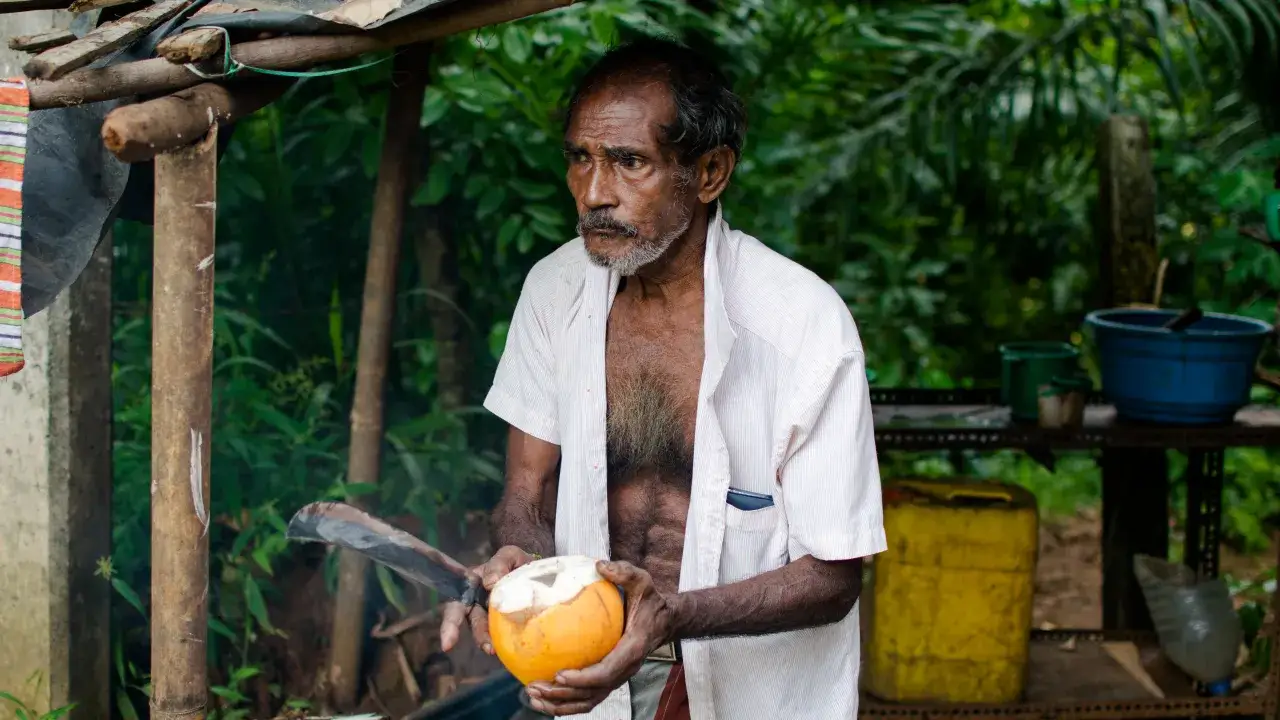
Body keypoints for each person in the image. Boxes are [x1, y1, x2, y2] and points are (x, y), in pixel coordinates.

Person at [439, 37, 886, 720]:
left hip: (746, 689)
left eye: (629, 163)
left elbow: (833, 576)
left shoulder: (803, 326)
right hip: (581, 672)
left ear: (709, 172)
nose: (594, 193)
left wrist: (670, 616)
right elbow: (529, 493)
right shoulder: (553, 291)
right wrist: (518, 567)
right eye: (580, 159)